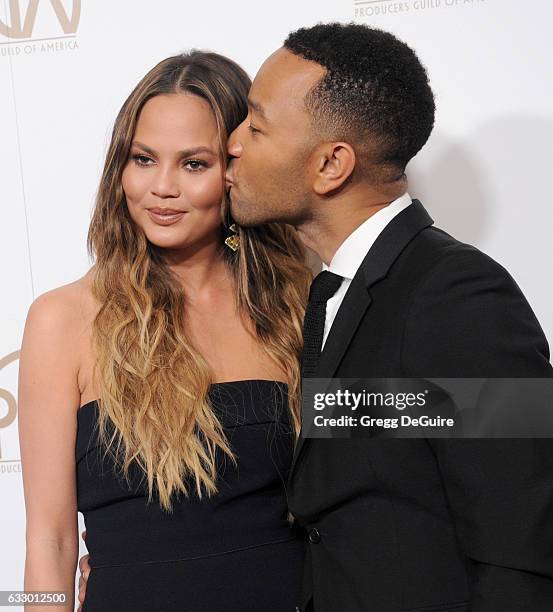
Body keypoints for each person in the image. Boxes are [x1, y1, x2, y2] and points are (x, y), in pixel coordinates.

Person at [77, 24, 553, 611]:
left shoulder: (455, 292)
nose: (232, 144)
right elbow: (393, 454)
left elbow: (524, 547)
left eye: (255, 125)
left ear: (331, 165)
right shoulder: (329, 298)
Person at [18, 50, 311, 612]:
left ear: (234, 169)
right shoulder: (64, 319)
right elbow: (49, 540)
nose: (162, 188)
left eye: (194, 164)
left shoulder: (295, 307)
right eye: (143, 159)